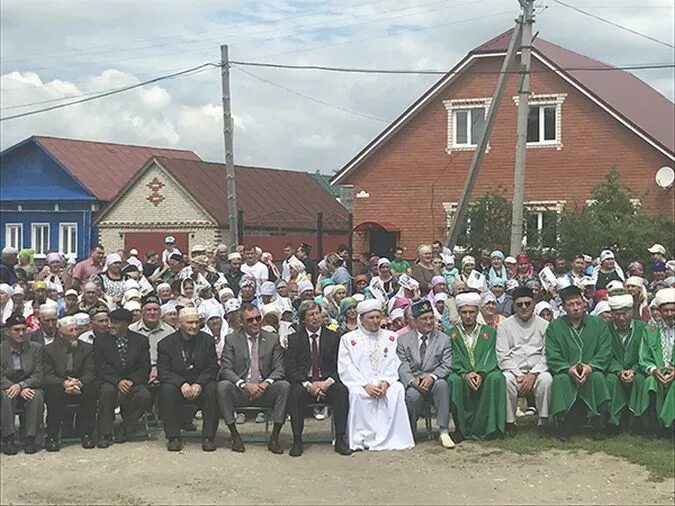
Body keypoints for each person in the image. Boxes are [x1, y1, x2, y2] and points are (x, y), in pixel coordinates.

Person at [337, 299, 415, 451]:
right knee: (356, 394)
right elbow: (346, 366)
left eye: (377, 317)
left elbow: (396, 361)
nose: (375, 321)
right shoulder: (348, 339)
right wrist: (365, 385)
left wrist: (386, 382)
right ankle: (361, 439)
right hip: (361, 384)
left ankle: (396, 438)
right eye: (371, 318)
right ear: (361, 319)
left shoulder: (391, 337)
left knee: (397, 389)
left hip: (386, 383)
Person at [217, 304, 290, 454]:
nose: (255, 323)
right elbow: (226, 369)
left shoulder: (272, 339)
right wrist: (244, 384)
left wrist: (265, 383)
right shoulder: (231, 339)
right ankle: (234, 435)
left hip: (265, 389)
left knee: (284, 386)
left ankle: (274, 437)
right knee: (223, 386)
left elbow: (279, 368)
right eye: (250, 320)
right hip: (241, 390)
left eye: (258, 318)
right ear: (241, 322)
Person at [284, 301, 351, 457]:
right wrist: (309, 385)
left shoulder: (334, 337)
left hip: (327, 381)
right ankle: (297, 440)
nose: (315, 318)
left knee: (341, 391)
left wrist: (327, 383)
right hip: (304, 382)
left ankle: (340, 438)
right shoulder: (294, 339)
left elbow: (341, 366)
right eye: (311, 315)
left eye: (317, 313)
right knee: (295, 393)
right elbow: (291, 369)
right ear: (303, 320)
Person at [545, 283, 612, 441]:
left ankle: (598, 423)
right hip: (566, 370)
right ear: (563, 307)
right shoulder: (555, 327)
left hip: (592, 370)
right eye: (570, 304)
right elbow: (552, 353)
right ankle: (563, 423)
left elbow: (605, 351)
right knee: (561, 379)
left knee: (597, 378)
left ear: (585, 304)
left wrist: (591, 367)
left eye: (578, 303)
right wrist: (568, 369)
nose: (575, 308)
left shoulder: (599, 324)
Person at [157, 307, 220, 452]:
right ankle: (173, 437)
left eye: (197, 322)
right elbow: (164, 371)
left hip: (200, 382)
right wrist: (181, 384)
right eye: (190, 322)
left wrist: (199, 383)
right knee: (166, 390)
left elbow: (212, 367)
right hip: (178, 383)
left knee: (213, 389)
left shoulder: (207, 340)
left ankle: (208, 437)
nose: (194, 326)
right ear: (180, 323)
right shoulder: (166, 343)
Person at [446, 292, 505, 441]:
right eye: (464, 312)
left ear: (477, 312)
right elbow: (452, 357)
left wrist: (481, 372)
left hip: (484, 373)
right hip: (461, 374)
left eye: (471, 312)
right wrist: (465, 374)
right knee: (453, 381)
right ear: (459, 313)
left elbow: (491, 355)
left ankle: (491, 428)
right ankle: (461, 429)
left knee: (496, 378)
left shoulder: (490, 333)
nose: (467, 316)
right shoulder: (450, 334)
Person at [397, 300, 454, 448]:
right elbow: (402, 365)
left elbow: (446, 365)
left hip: (434, 380)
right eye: (424, 319)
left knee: (442, 385)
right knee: (412, 396)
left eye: (431, 318)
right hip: (414, 381)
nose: (429, 322)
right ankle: (409, 432)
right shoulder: (403, 340)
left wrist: (432, 377)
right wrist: (412, 381)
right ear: (415, 321)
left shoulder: (444, 339)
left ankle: (443, 431)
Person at [496, 287, 552, 436]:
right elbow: (502, 355)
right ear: (514, 306)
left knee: (546, 379)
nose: (524, 307)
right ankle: (510, 422)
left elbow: (547, 354)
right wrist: (519, 375)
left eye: (527, 303)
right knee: (506, 379)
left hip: (537, 371)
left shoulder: (545, 325)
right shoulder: (504, 326)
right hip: (515, 372)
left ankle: (543, 422)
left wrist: (533, 374)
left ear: (533, 303)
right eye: (519, 305)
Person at [94, 308, 152, 448]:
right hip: (110, 381)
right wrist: (118, 381)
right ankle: (105, 433)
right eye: (110, 322)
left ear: (126, 324)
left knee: (145, 395)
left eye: (115, 323)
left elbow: (144, 367)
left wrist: (130, 381)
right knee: (107, 392)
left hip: (133, 381)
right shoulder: (101, 341)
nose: (110, 326)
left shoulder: (141, 341)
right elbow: (100, 367)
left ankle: (125, 428)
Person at [43, 316, 97, 451]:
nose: (75, 333)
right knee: (53, 392)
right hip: (60, 384)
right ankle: (52, 436)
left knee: (91, 390)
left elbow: (90, 371)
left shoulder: (88, 348)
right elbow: (47, 375)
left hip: (80, 383)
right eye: (71, 330)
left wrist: (79, 382)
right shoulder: (48, 350)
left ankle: (86, 434)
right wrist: (64, 383)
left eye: (76, 330)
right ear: (61, 333)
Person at [1, 314, 44, 455]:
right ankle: (8, 437)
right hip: (7, 386)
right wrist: (15, 388)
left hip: (29, 386)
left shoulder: (36, 348)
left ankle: (30, 437)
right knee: (6, 396)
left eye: (23, 329)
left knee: (36, 395)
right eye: (16, 330)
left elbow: (39, 375)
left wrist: (22, 386)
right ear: (8, 331)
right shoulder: (1, 350)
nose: (21, 333)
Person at [604, 293, 646, 432]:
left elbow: (646, 353)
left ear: (632, 312)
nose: (621, 318)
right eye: (617, 314)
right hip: (614, 371)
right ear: (612, 314)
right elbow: (604, 354)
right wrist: (618, 370)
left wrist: (633, 370)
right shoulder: (605, 329)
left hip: (637, 370)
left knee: (640, 380)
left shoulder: (643, 328)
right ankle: (614, 420)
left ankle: (637, 420)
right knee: (611, 380)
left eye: (625, 313)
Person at [636, 287, 674, 434]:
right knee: (650, 382)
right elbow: (643, 356)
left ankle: (670, 427)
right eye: (666, 311)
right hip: (657, 372)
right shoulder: (650, 330)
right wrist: (653, 370)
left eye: (673, 310)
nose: (670, 314)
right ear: (659, 311)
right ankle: (653, 426)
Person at [129, 294, 174, 384]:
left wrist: (158, 373)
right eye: (148, 310)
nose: (152, 313)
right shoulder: (131, 330)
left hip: (163, 372)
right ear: (142, 313)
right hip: (138, 373)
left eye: (156, 310)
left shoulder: (170, 332)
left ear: (160, 313)